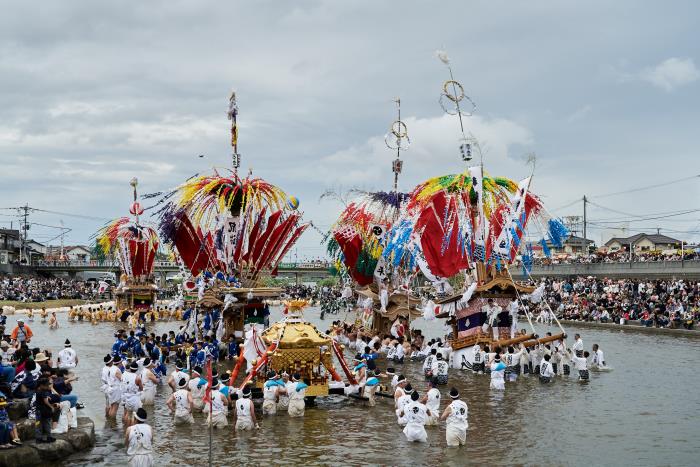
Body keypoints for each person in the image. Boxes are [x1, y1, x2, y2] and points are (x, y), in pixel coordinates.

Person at [34, 378, 56, 444]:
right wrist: (51, 407)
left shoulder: (38, 390)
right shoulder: (44, 392)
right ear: (41, 385)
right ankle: (49, 437)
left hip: (38, 411)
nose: (48, 386)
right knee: (47, 423)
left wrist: (47, 397)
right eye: (46, 385)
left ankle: (38, 438)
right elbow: (45, 401)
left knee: (38, 424)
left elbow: (44, 398)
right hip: (44, 411)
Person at [121, 362, 143, 426]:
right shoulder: (137, 378)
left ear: (130, 368)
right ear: (136, 369)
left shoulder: (125, 374)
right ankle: (132, 429)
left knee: (128, 414)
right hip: (134, 397)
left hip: (127, 397)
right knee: (134, 415)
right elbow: (141, 388)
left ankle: (125, 427)